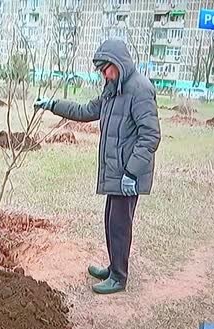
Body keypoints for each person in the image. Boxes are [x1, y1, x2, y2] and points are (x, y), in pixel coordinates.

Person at [34, 39, 161, 295]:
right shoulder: (113, 90)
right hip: (116, 171)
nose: (104, 74)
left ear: (119, 64)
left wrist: (131, 172)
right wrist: (52, 104)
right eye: (102, 70)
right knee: (111, 221)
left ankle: (119, 277)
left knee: (120, 225)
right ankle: (113, 267)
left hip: (128, 174)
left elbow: (151, 136)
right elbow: (85, 110)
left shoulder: (140, 90)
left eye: (107, 69)